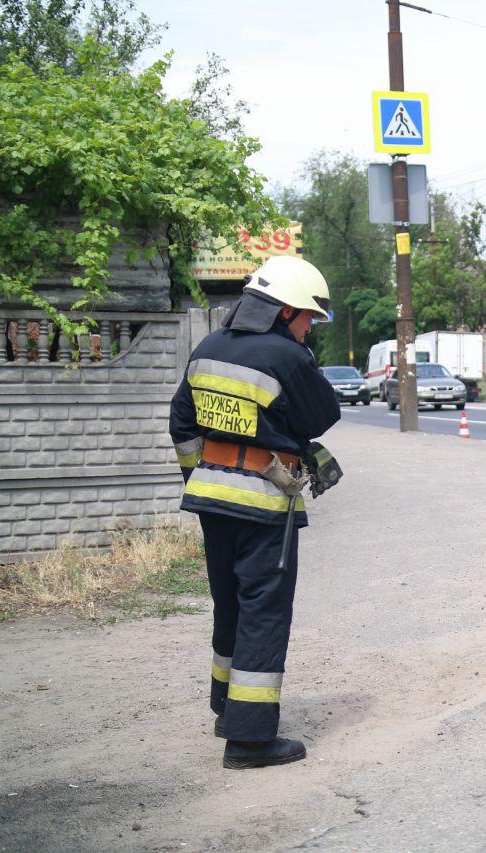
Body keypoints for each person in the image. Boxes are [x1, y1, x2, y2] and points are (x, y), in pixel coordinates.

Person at [168, 256, 341, 769]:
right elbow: (321, 415)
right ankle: (249, 740)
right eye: (309, 317)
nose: (311, 328)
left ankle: (226, 709)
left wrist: (200, 478)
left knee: (230, 604)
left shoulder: (207, 349)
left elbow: (181, 423)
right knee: (264, 613)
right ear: (285, 312)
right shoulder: (288, 356)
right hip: (264, 505)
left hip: (211, 502)